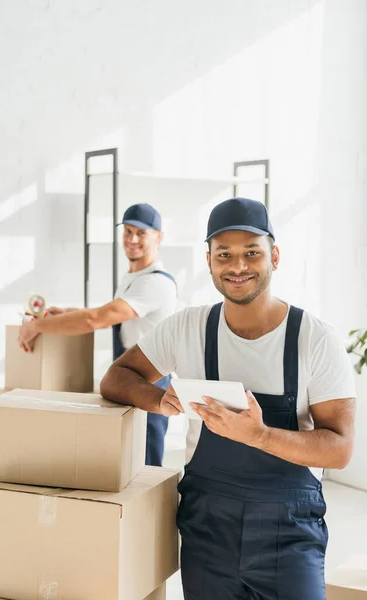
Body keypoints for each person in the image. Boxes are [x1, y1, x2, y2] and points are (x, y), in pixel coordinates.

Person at [100, 197, 356, 600]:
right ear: (209, 261)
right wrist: (159, 400)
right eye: (225, 254)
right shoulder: (187, 327)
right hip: (207, 530)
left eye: (251, 253)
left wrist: (260, 435)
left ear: (274, 256)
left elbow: (339, 449)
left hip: (288, 533)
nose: (238, 266)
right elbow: (116, 378)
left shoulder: (315, 339)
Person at [18, 203, 177, 467]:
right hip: (132, 380)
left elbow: (97, 318)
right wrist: (68, 313)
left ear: (159, 237)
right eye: (127, 231)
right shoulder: (135, 278)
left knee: (146, 472)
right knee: (128, 467)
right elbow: (112, 317)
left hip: (151, 384)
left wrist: (37, 326)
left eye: (141, 233)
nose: (132, 239)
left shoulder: (155, 282)